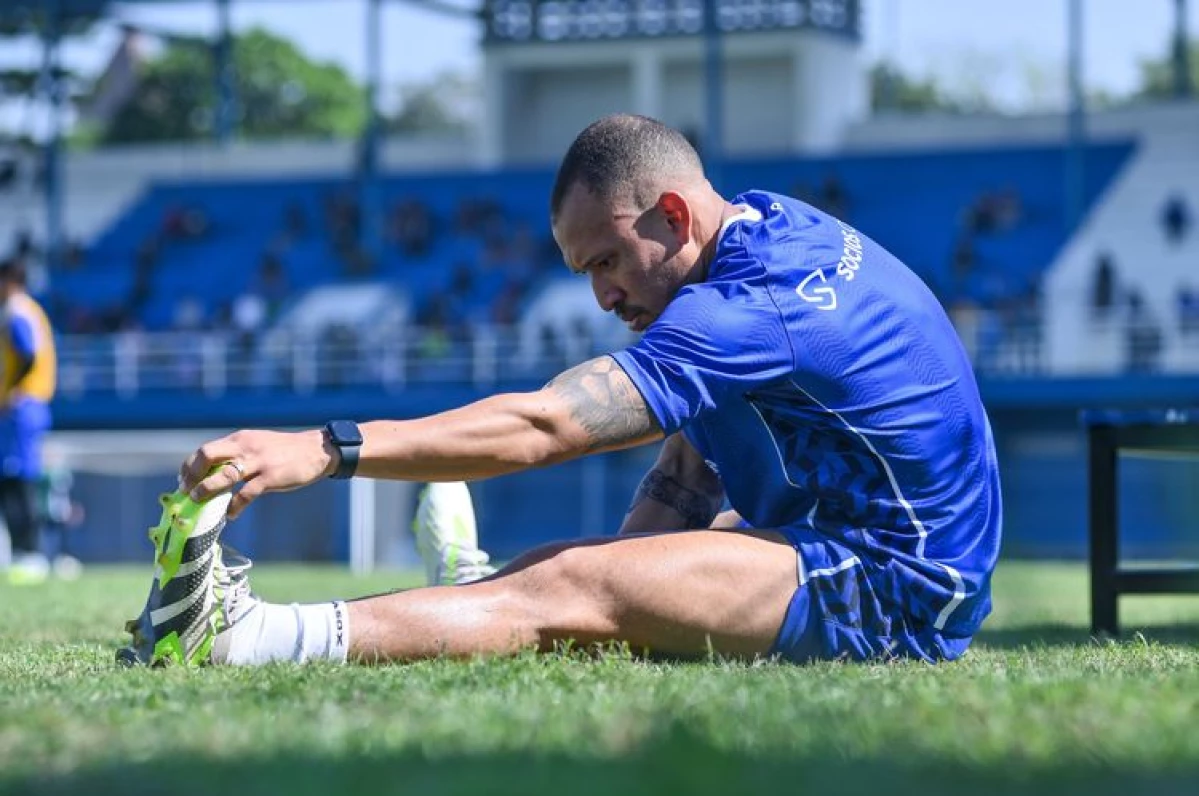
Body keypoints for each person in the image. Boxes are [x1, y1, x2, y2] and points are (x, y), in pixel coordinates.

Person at [119, 114, 1001, 668]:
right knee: (570, 578)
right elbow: (703, 442)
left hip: (899, 592)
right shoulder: (764, 230)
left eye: (608, 260)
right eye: (585, 271)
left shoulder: (755, 302)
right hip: (851, 540)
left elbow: (546, 426)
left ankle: (249, 639)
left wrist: (322, 447)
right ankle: (475, 590)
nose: (602, 295)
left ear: (673, 213)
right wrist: (603, 584)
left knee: (573, 583)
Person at [0, 258, 57, 584]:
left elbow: (28, 354)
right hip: (26, 405)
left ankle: (30, 554)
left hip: (22, 406)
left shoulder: (17, 312)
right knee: (15, 478)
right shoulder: (29, 310)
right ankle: (25, 553)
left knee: (19, 479)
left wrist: (12, 390)